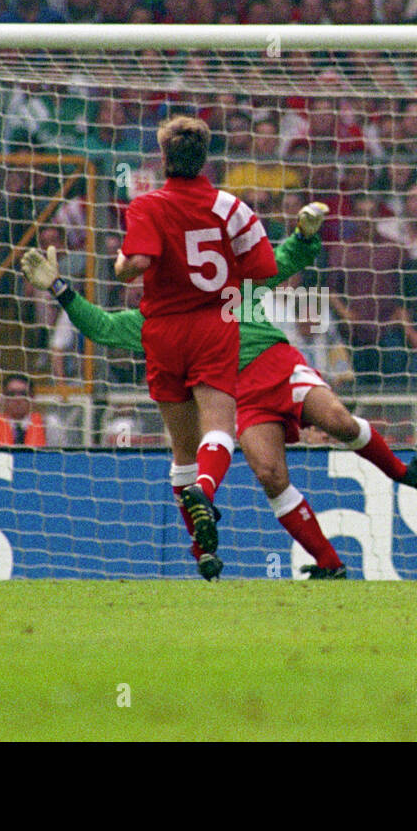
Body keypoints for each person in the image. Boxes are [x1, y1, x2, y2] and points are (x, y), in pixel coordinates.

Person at [22, 204, 417, 579]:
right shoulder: (155, 320)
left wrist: (305, 235)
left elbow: (281, 261)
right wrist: (60, 287)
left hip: (277, 366)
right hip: (238, 396)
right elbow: (102, 328)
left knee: (338, 421)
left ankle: (403, 472)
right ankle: (330, 565)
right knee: (270, 474)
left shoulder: (229, 284)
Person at [113, 114, 277, 580]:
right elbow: (262, 267)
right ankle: (206, 489)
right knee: (220, 427)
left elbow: (137, 263)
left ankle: (201, 548)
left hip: (163, 328)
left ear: (164, 158)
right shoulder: (232, 207)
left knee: (182, 447)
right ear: (206, 158)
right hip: (214, 323)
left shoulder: (147, 205)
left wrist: (120, 262)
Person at [0, 373, 73, 447]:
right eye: (11, 394)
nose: (17, 399)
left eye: (23, 394)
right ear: (3, 398)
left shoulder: (50, 425)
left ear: (32, 398)